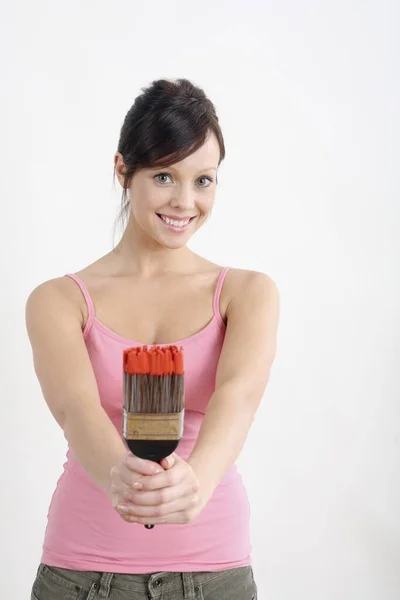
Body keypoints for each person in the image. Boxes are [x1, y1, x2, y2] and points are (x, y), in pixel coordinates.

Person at [26, 78, 279, 600]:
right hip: (82, 575)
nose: (185, 202)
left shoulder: (247, 294)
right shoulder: (59, 300)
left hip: (215, 574)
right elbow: (77, 411)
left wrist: (197, 484)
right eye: (164, 175)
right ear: (122, 170)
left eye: (203, 180)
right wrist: (119, 474)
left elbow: (239, 398)